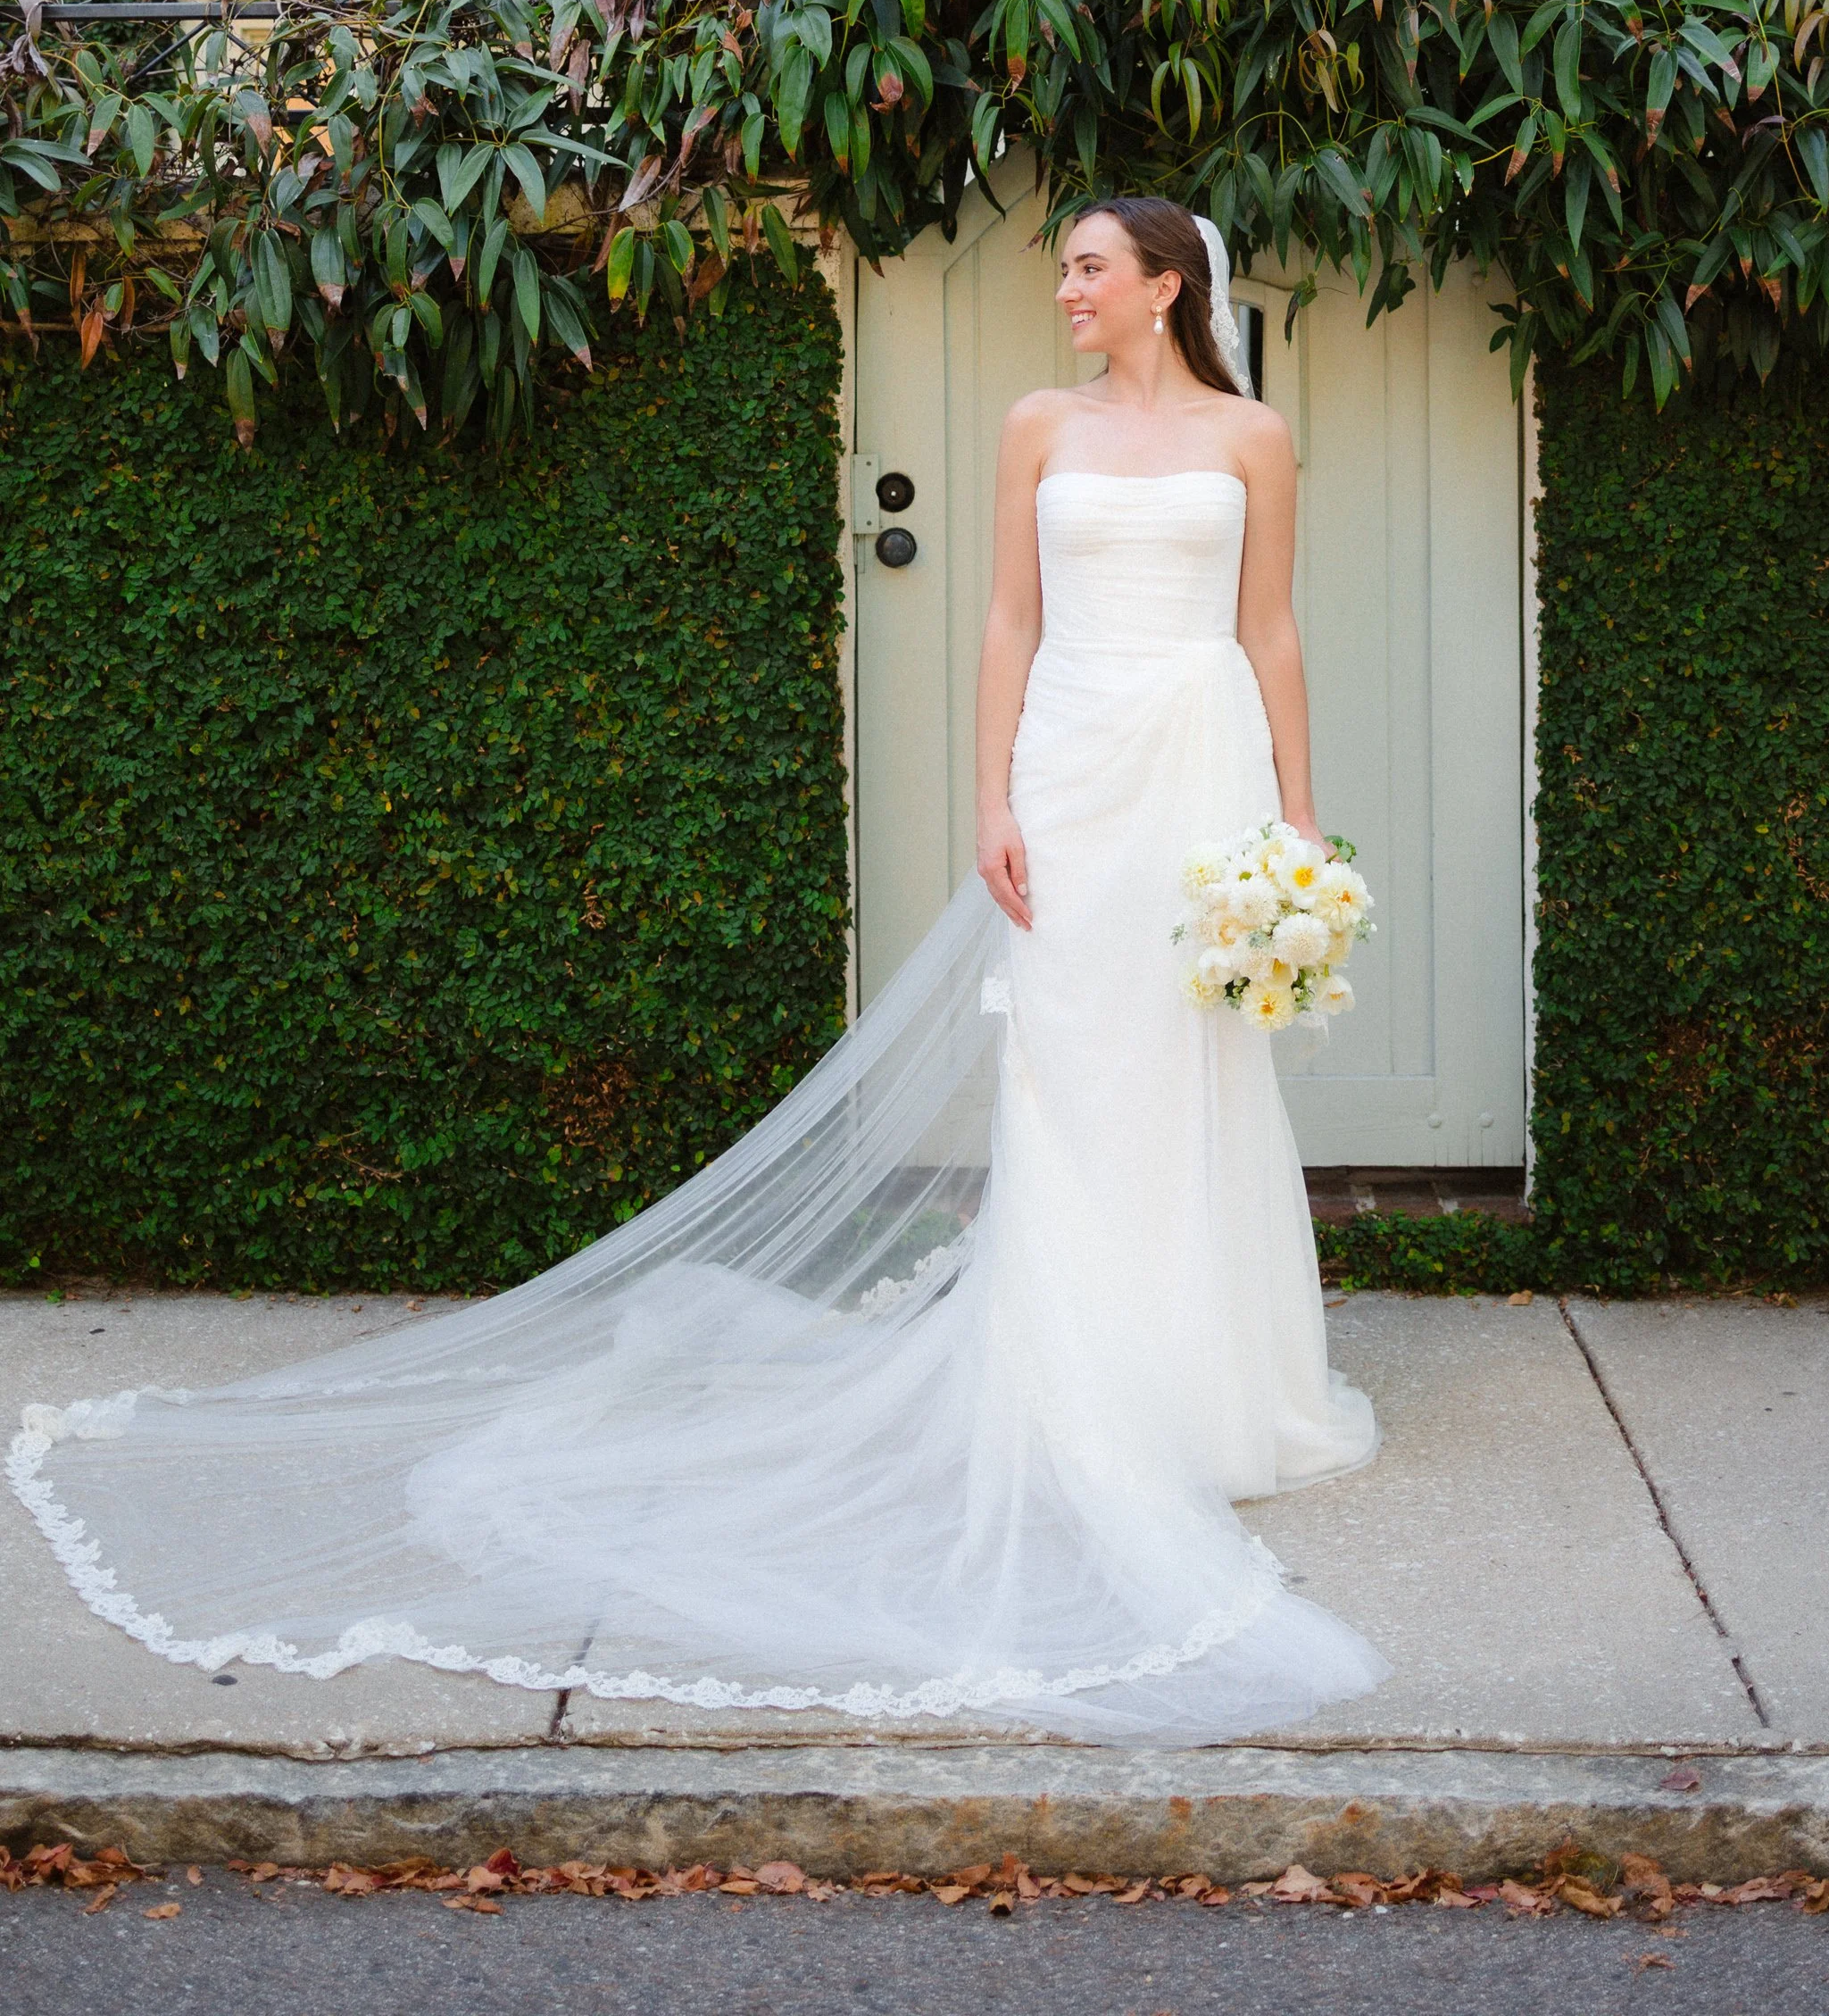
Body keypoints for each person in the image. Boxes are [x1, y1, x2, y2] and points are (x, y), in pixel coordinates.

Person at [12, 201, 1384, 1741]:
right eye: (1059, 267)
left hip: (1198, 769)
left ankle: (1207, 1392)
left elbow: (1271, 634)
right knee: (1070, 1068)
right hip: (1072, 768)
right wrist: (992, 797)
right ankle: (1066, 1395)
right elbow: (1009, 619)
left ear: (1164, 286)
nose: (1062, 290)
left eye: (1086, 268)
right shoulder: (1034, 423)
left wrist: (1299, 824)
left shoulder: (1254, 434)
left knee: (1193, 1059)